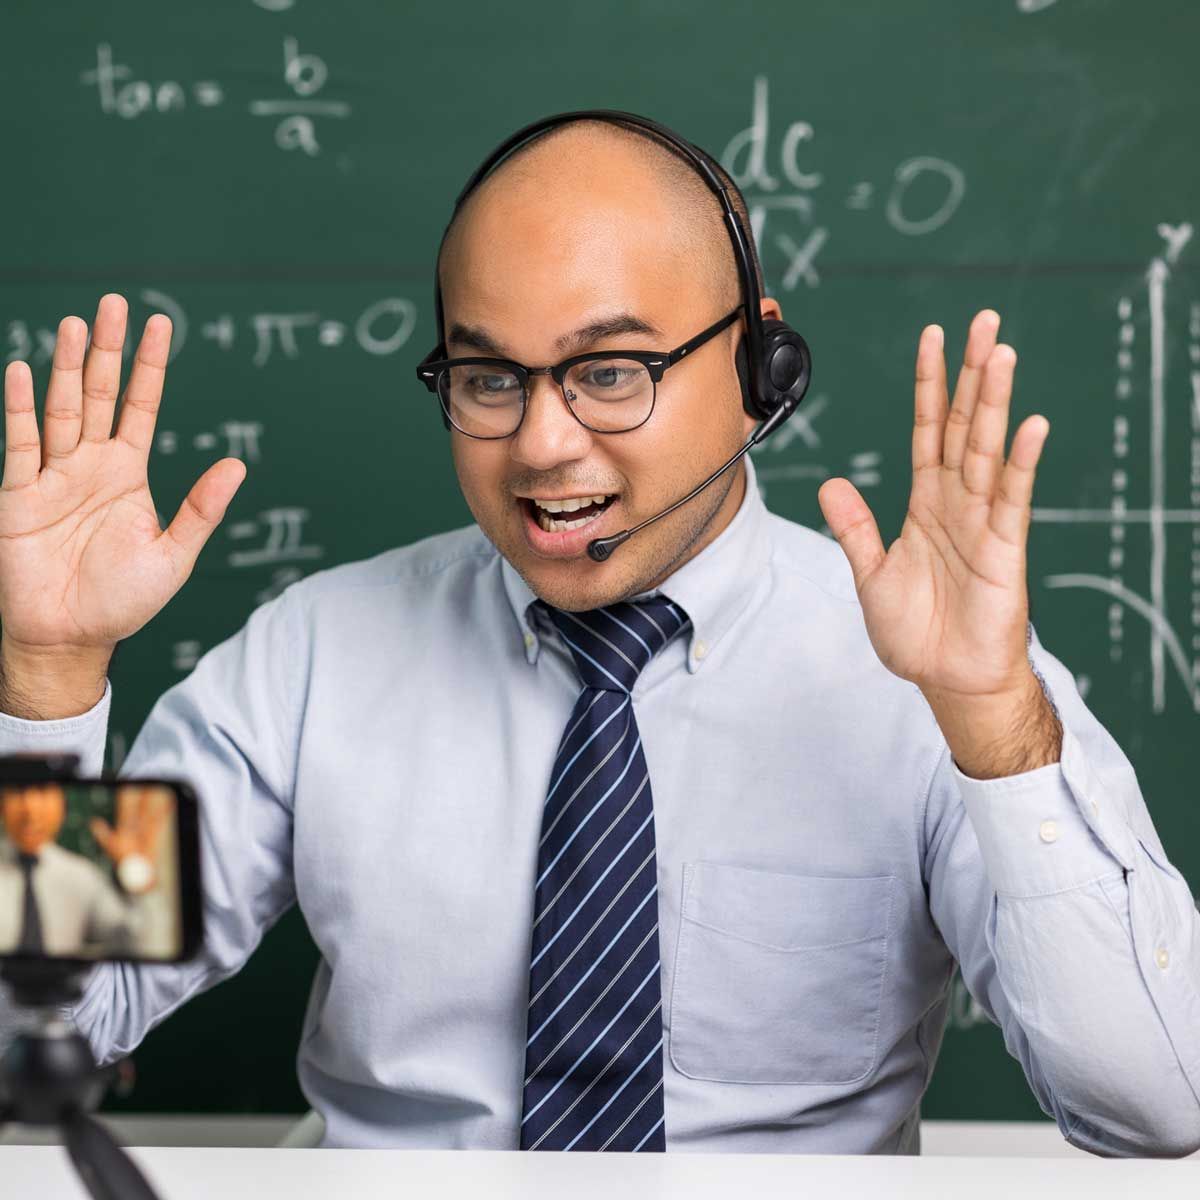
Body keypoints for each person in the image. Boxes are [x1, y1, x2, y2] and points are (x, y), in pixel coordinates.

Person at [0, 112, 1197, 1156]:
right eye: (488, 379)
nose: (541, 447)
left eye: (611, 371)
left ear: (758, 362)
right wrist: (49, 682)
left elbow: (1159, 1107)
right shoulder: (313, 656)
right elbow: (36, 1032)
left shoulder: (934, 673)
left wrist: (993, 720)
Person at [0, 781, 155, 958]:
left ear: (62, 805)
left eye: (43, 792)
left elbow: (131, 943)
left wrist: (134, 870)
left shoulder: (83, 876)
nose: (31, 809)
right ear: (2, 803)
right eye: (18, 791)